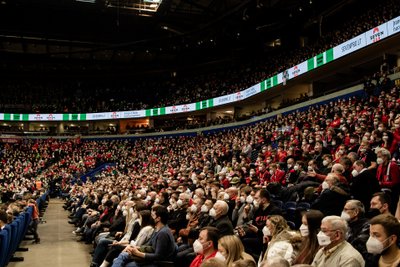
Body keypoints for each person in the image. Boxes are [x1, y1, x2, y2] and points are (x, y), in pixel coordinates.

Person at [111, 205, 177, 267]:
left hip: (157, 263)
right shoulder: (158, 230)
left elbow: (159, 256)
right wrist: (134, 248)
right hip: (151, 259)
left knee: (121, 260)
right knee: (120, 257)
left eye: (152, 215)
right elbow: (149, 245)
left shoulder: (163, 233)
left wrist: (138, 253)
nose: (150, 217)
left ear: (158, 218)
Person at [375, 148, 400, 214]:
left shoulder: (393, 165)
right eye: (377, 157)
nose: (378, 158)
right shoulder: (380, 166)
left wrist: (382, 183)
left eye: (380, 156)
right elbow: (377, 179)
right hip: (382, 190)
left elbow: (396, 182)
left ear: (385, 157)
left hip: (392, 193)